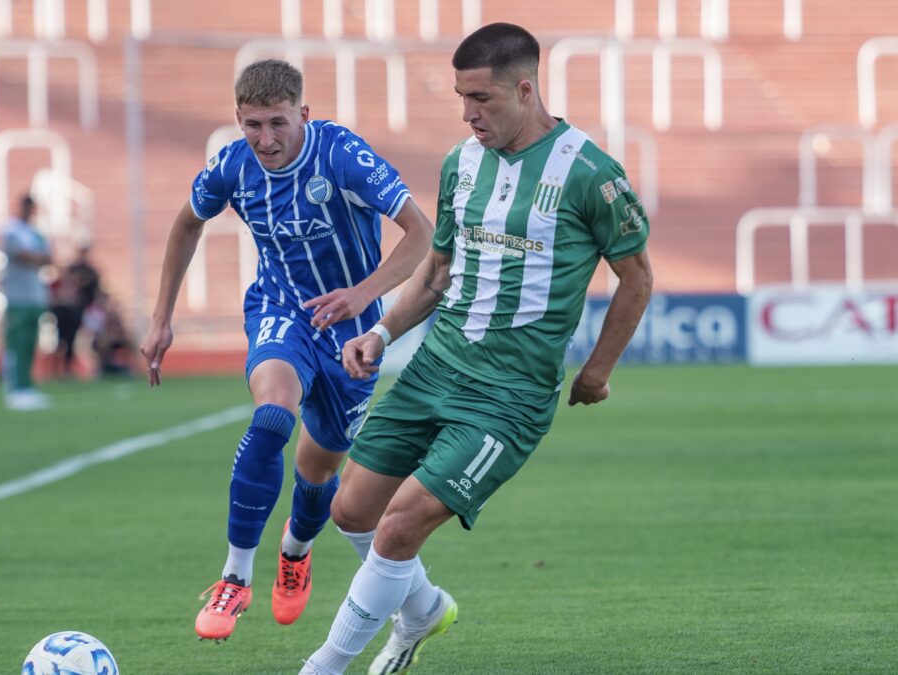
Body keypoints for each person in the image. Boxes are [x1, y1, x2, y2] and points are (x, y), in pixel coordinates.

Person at [300, 23, 654, 674]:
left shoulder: (589, 174)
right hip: (437, 369)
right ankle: (424, 607)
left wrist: (598, 369)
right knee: (350, 508)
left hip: (507, 397)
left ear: (525, 89)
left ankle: (322, 666)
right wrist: (380, 334)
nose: (468, 113)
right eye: (461, 97)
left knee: (399, 526)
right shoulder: (461, 164)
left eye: (481, 98)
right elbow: (436, 271)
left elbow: (636, 276)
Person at [140, 59, 433, 641]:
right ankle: (234, 576)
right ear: (238, 120)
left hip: (353, 333)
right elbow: (185, 224)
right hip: (281, 313)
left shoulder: (341, 155)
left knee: (317, 471)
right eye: (252, 125)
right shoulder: (232, 164)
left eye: (277, 123)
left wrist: (363, 294)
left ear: (303, 113)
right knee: (273, 415)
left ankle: (295, 553)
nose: (265, 139)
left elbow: (420, 232)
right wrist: (161, 318)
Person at [1, 194, 53, 411]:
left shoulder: (35, 234)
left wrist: (35, 257)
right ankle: (14, 389)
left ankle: (27, 386)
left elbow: (48, 258)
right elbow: (23, 256)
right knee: (16, 345)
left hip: (35, 296)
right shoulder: (11, 231)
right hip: (16, 296)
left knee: (30, 344)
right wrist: (36, 257)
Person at [49, 243, 100, 376]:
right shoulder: (72, 269)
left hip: (77, 310)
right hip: (64, 310)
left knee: (71, 339)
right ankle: (56, 368)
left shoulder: (90, 271)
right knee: (61, 340)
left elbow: (93, 292)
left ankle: (66, 368)